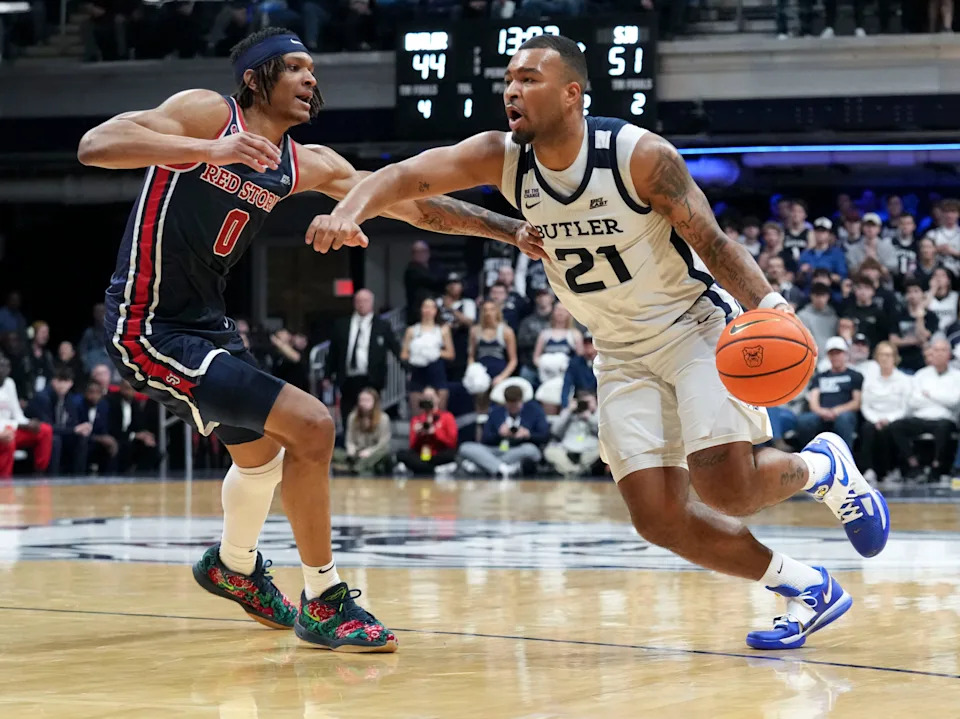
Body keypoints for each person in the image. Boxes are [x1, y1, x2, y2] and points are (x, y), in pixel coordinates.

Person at [307, 33, 890, 649]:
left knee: (728, 489)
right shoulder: (502, 157)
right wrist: (353, 207)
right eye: (508, 79)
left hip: (693, 328)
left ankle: (826, 468)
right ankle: (804, 585)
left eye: (529, 79)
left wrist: (772, 307)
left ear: (572, 93)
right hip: (616, 347)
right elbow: (408, 179)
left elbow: (714, 243)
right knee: (659, 518)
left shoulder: (637, 155)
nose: (512, 90)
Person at [77, 26, 543, 652]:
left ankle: (233, 567)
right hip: (147, 325)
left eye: (312, 70)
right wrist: (205, 151)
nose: (310, 79)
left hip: (208, 326)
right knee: (314, 424)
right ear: (255, 77)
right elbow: (95, 144)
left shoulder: (305, 163)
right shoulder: (208, 115)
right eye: (294, 67)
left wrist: (508, 230)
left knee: (263, 460)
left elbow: (411, 204)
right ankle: (324, 599)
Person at [324, 289, 401, 425]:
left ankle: (371, 443)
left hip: (372, 377)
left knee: (371, 414)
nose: (362, 304)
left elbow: (395, 348)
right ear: (354, 303)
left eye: (365, 301)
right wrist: (327, 375)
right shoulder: (342, 325)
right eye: (359, 301)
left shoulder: (382, 326)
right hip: (348, 377)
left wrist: (407, 367)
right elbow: (333, 352)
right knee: (347, 414)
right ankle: (350, 442)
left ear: (371, 303)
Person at [889, 339, 960, 480]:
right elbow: (913, 401)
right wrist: (940, 399)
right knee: (896, 426)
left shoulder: (957, 376)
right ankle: (913, 464)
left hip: (944, 419)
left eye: (943, 350)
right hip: (920, 417)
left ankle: (936, 467)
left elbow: (954, 401)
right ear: (931, 354)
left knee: (943, 428)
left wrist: (929, 395)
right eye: (936, 350)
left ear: (949, 354)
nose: (939, 354)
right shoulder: (921, 375)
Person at [458, 384, 549, 479]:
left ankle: (485, 466)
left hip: (517, 450)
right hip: (496, 449)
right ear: (505, 402)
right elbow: (485, 439)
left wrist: (528, 435)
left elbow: (544, 436)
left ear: (521, 400)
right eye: (510, 404)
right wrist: (499, 434)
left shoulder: (535, 411)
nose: (513, 407)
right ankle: (504, 469)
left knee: (531, 450)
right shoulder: (496, 413)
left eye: (516, 403)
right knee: (465, 447)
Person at [794, 337, 863, 450]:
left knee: (844, 419)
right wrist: (822, 412)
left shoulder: (855, 376)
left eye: (838, 353)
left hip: (844, 413)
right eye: (832, 354)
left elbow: (856, 402)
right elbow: (813, 401)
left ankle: (845, 456)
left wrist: (836, 411)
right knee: (804, 421)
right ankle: (807, 455)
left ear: (845, 354)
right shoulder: (819, 377)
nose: (835, 357)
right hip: (821, 413)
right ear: (828, 356)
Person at [859, 342, 911, 483]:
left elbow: (905, 408)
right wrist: (876, 420)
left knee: (892, 429)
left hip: (894, 419)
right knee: (867, 429)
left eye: (888, 355)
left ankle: (891, 469)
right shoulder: (869, 380)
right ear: (877, 357)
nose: (885, 358)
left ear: (895, 357)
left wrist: (888, 419)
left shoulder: (903, 380)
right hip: (874, 418)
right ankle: (868, 469)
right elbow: (865, 405)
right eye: (881, 355)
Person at [26, 366, 92, 475]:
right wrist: (74, 429)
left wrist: (80, 429)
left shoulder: (68, 399)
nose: (62, 385)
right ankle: (53, 478)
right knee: (55, 440)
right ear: (53, 381)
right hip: (39, 435)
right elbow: (48, 427)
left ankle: (79, 477)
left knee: (82, 438)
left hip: (60, 434)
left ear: (71, 383)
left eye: (66, 381)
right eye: (59, 380)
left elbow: (72, 422)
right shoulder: (42, 397)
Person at [0, 353, 53, 478]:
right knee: (8, 438)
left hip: (11, 427)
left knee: (45, 430)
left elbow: (16, 412)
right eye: (1, 366)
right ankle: (4, 480)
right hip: (4, 431)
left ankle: (40, 474)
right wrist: (19, 425)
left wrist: (27, 422)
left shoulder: (9, 383)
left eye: (7, 366)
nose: (4, 369)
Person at [401, 297, 454, 416]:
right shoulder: (412, 330)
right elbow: (404, 354)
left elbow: (450, 354)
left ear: (436, 311)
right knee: (417, 415)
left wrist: (434, 351)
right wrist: (416, 354)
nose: (428, 310)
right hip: (418, 373)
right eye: (425, 307)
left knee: (439, 415)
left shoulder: (442, 330)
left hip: (436, 373)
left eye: (431, 307)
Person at [468, 300, 518, 415]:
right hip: (480, 374)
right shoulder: (475, 331)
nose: (488, 313)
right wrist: (473, 372)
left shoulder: (506, 331)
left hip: (499, 373)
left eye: (491, 310)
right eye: (485, 310)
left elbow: (513, 360)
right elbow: (471, 356)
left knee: (498, 409)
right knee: (480, 410)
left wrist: (502, 377)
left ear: (497, 312)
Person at [395, 385, 458, 475]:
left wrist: (435, 432)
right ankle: (432, 469)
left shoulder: (447, 417)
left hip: (438, 454)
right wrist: (419, 434)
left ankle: (420, 468)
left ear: (437, 399)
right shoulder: (416, 420)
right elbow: (412, 446)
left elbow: (452, 443)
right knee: (402, 454)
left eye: (431, 397)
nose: (428, 400)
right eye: (426, 398)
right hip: (422, 455)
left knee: (452, 454)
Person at [333, 387, 392, 475]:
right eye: (362, 400)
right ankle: (354, 465)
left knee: (384, 453)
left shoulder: (383, 418)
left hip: (374, 453)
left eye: (367, 400)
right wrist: (351, 449)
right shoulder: (352, 417)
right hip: (357, 452)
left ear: (374, 402)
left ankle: (356, 468)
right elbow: (349, 440)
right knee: (335, 453)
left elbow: (383, 443)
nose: (363, 403)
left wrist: (369, 451)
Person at [106, 380, 161, 472]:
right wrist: (134, 435)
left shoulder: (135, 404)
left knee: (152, 449)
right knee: (124, 448)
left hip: (131, 439)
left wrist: (146, 435)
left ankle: (142, 476)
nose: (130, 392)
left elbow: (139, 425)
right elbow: (112, 427)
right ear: (121, 388)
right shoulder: (111, 402)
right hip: (116, 438)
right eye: (127, 389)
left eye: (133, 389)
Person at [544, 390, 600, 477]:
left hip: (590, 447)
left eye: (589, 402)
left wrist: (590, 418)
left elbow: (604, 432)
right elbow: (554, 431)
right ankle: (573, 471)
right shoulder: (569, 413)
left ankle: (580, 470)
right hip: (567, 446)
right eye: (583, 402)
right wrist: (568, 411)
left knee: (602, 450)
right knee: (550, 451)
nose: (585, 405)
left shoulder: (598, 414)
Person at [889, 279, 939, 373]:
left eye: (916, 291)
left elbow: (923, 337)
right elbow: (893, 340)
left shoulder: (931, 316)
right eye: (909, 292)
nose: (912, 295)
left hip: (923, 363)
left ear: (923, 294)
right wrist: (915, 341)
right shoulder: (898, 315)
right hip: (902, 363)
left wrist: (919, 316)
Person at [404, 240, 446, 324]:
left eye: (424, 251)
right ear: (413, 254)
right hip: (417, 315)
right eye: (418, 252)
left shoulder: (433, 268)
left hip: (435, 314)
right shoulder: (412, 270)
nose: (422, 254)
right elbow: (434, 281)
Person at [797, 283, 838, 357]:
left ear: (828, 296)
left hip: (830, 359)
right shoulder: (801, 316)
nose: (820, 299)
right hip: (809, 357)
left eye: (823, 295)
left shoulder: (834, 317)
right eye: (817, 295)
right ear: (811, 296)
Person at [927, 267, 958, 332]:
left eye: (942, 275)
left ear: (948, 280)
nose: (938, 278)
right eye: (935, 275)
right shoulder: (926, 295)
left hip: (952, 332)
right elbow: (920, 311)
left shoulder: (956, 297)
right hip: (931, 332)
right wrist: (932, 290)